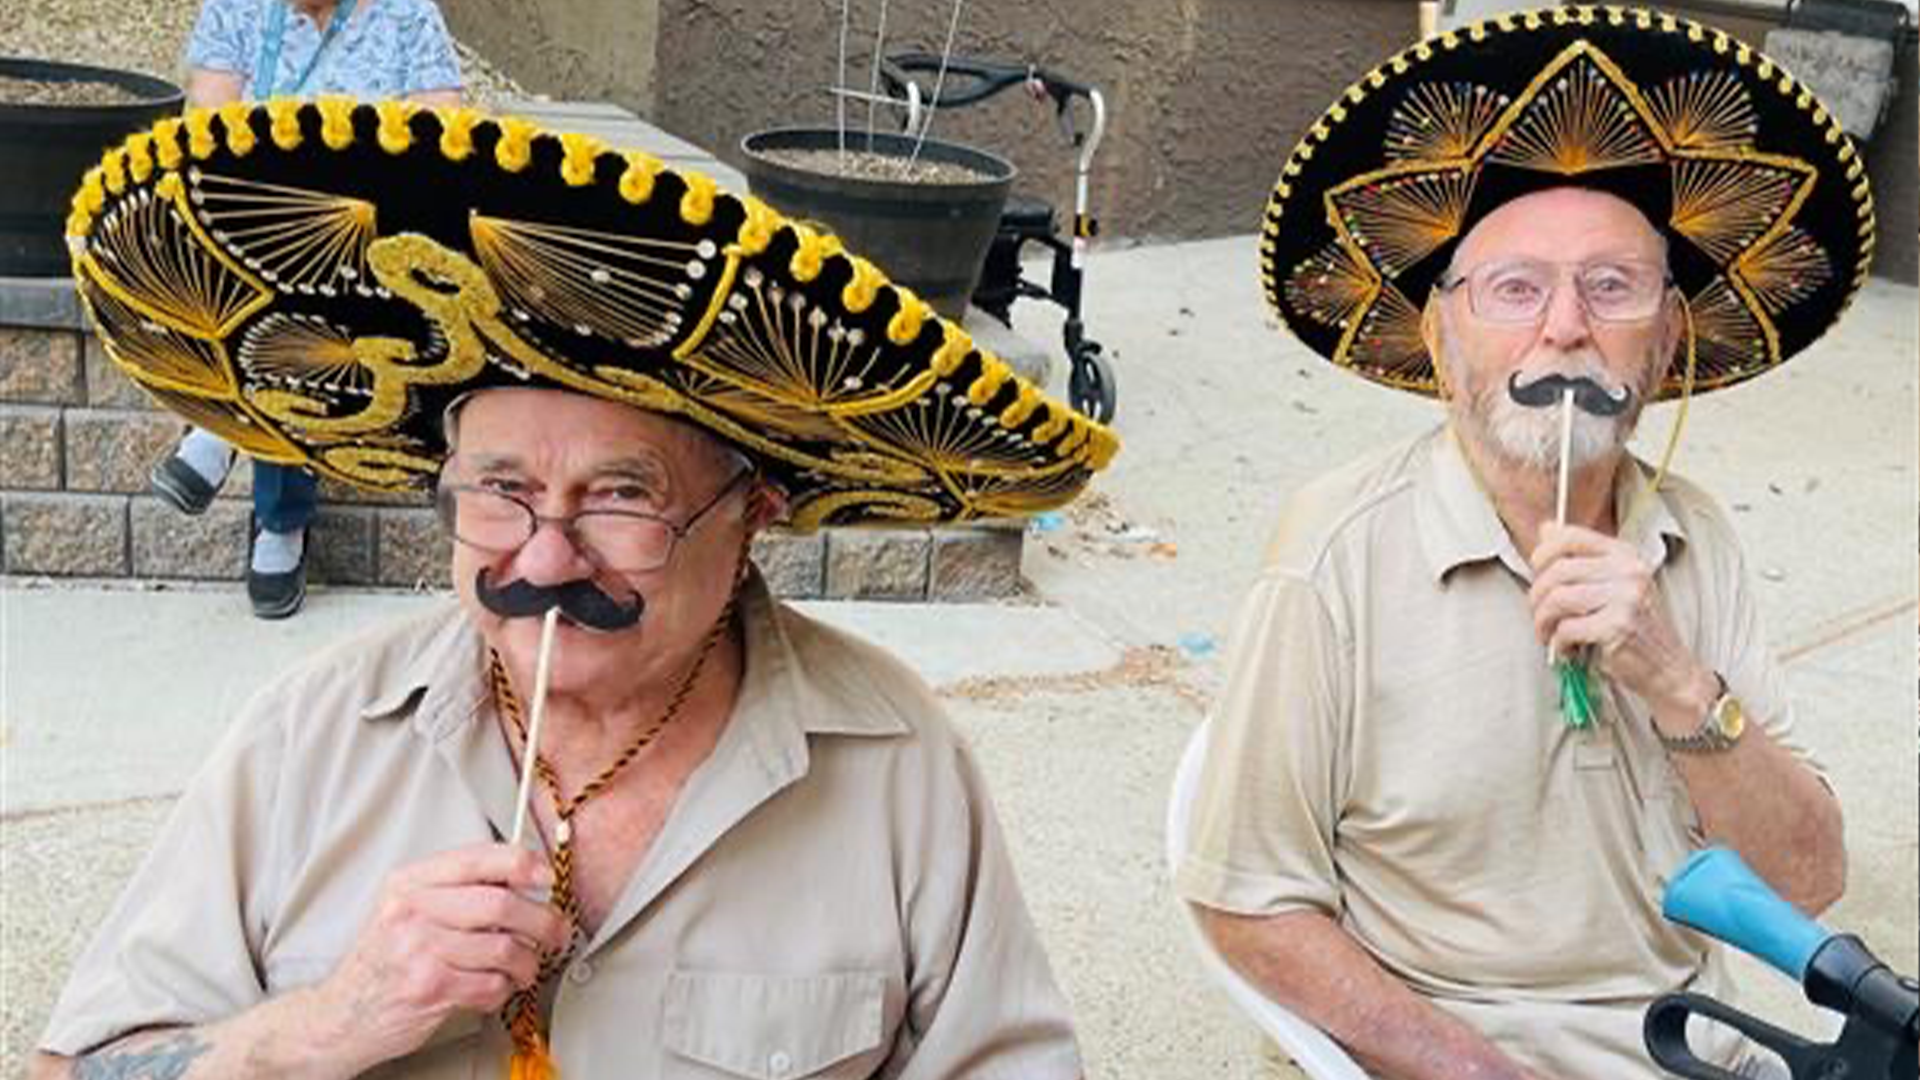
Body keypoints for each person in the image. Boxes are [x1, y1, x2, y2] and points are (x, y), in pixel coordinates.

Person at [40, 96, 1118, 1078]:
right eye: (500, 490)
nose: (544, 562)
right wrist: (329, 1022)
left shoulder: (900, 769)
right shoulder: (310, 740)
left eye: (619, 500)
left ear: (753, 512)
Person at [1174, 9, 1870, 1080]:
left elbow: (1806, 877)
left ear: (1669, 337)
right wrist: (1473, 1070)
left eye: (1612, 286)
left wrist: (1676, 680)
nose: (1564, 329)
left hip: (1690, 1050)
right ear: (1443, 341)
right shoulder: (1335, 551)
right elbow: (1245, 903)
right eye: (1513, 289)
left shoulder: (1699, 537)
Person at [148, 0, 463, 619]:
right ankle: (281, 523)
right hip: (258, 223)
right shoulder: (237, 9)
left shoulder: (406, 14)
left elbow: (444, 136)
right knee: (280, 263)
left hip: (368, 232)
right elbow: (208, 136)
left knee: (315, 271)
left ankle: (222, 425)